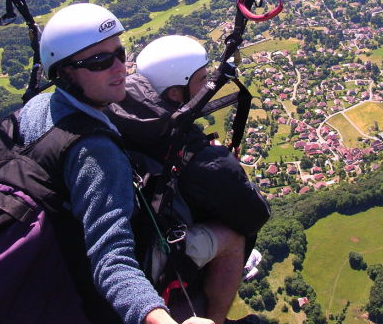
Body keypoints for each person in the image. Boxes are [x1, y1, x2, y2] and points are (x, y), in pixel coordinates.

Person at [18, 3, 212, 324]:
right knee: (228, 239)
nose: (120, 67)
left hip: (50, 257)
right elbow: (112, 259)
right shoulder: (95, 152)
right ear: (65, 73)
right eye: (100, 61)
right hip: (89, 283)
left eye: (119, 53)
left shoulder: (39, 106)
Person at [106, 35, 271, 324]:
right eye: (203, 79)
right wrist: (224, 165)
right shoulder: (201, 159)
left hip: (123, 235)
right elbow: (256, 214)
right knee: (233, 239)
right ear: (174, 94)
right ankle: (217, 320)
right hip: (142, 254)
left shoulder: (115, 107)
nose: (209, 87)